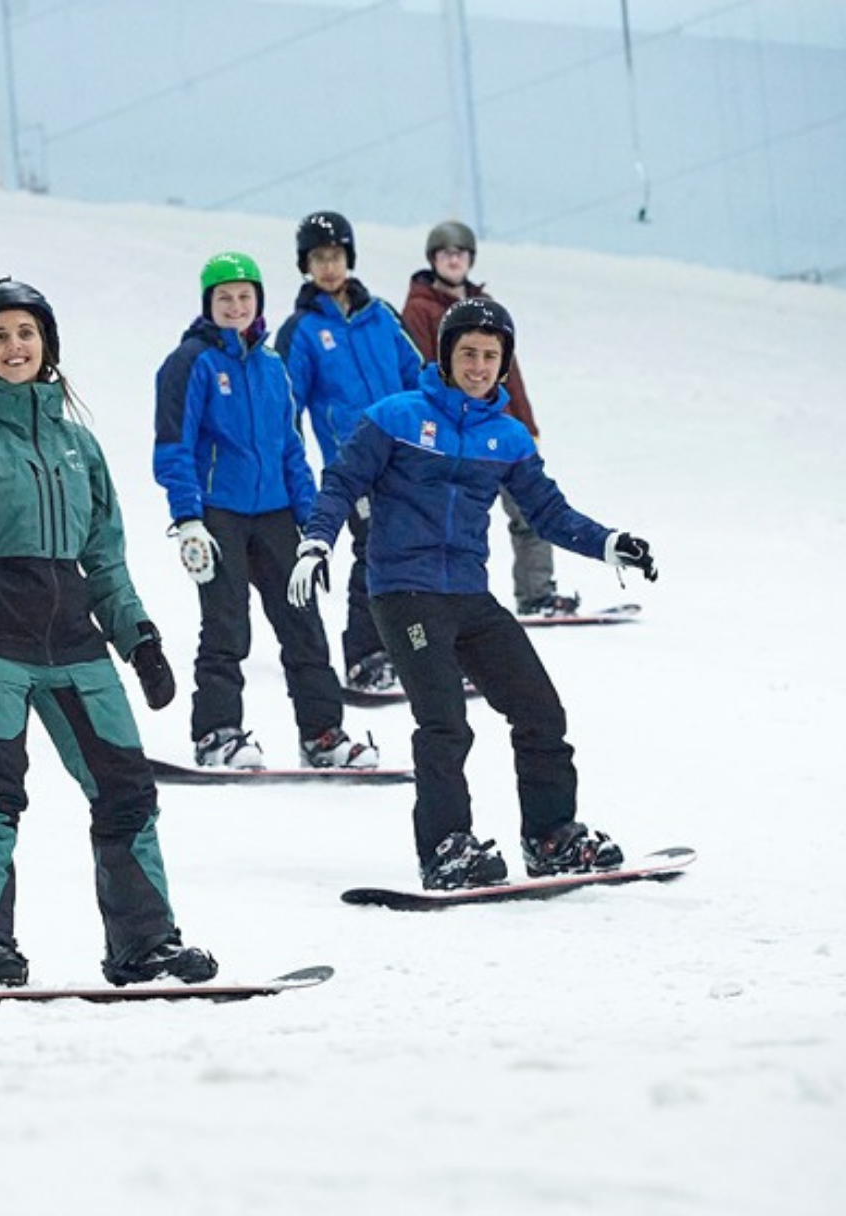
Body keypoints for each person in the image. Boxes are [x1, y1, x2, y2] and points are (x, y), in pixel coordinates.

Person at [0, 278, 217, 988]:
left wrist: (139, 638)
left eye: (26, 333)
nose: (15, 347)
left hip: (76, 642)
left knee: (127, 791)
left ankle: (145, 945)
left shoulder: (83, 447)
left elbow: (105, 557)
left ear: (47, 344)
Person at [288, 297, 656, 890]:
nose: (479, 365)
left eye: (491, 356)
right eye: (468, 353)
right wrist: (316, 543)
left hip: (468, 596)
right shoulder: (395, 417)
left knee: (539, 710)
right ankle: (445, 849)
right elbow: (341, 483)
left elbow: (547, 512)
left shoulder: (506, 437)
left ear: (504, 363)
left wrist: (609, 543)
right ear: (446, 356)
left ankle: (550, 834)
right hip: (404, 592)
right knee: (444, 722)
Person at [152, 251, 378, 771]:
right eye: (224, 297)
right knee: (227, 625)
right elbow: (173, 447)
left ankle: (323, 733)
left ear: (258, 302)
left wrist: (311, 524)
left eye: (244, 296)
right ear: (209, 303)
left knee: (303, 624)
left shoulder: (273, 366)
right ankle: (218, 733)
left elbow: (291, 449)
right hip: (219, 514)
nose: (235, 306)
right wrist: (188, 517)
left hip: (276, 513)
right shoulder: (190, 363)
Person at [274, 211, 423, 696]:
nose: (329, 267)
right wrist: (291, 470)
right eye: (319, 258)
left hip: (405, 457)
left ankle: (420, 650)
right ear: (306, 265)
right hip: (354, 464)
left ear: (349, 258)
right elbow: (287, 405)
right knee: (374, 550)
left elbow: (418, 379)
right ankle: (365, 656)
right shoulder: (301, 330)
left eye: (335, 256)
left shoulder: (381, 315)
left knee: (418, 550)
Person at [402, 220, 576, 618]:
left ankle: (536, 594)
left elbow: (509, 373)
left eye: (460, 254)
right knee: (452, 522)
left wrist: (527, 425)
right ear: (433, 259)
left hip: (501, 431)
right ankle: (440, 602)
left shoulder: (486, 308)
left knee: (529, 510)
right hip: (458, 434)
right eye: (446, 254)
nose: (453, 260)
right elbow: (425, 371)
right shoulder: (419, 311)